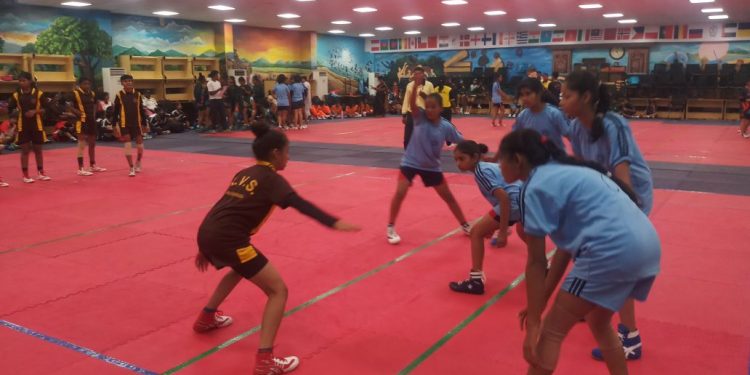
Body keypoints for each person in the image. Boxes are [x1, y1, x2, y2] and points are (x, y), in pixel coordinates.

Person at [193, 122, 360, 374]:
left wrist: (207, 246)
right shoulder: (273, 179)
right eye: (287, 151)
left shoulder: (245, 173)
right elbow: (300, 204)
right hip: (228, 239)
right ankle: (265, 360)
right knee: (278, 291)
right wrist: (334, 222)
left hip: (208, 231)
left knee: (240, 269)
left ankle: (206, 318)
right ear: (275, 153)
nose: (288, 157)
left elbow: (224, 208)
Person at [499, 129, 660, 375]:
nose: (497, 164)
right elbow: (564, 249)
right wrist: (539, 303)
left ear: (518, 159)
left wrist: (533, 324)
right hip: (646, 245)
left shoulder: (534, 187)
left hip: (611, 251)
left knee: (551, 331)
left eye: (500, 158)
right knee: (599, 322)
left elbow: (536, 262)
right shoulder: (568, 171)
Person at [560, 70, 655, 362]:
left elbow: (623, 174)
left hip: (631, 196)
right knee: (584, 249)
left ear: (586, 97)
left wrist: (624, 217)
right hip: (603, 193)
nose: (561, 102)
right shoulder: (576, 127)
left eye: (567, 96)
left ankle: (630, 337)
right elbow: (582, 166)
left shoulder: (614, 125)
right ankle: (589, 305)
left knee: (618, 264)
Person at [387, 77, 470, 245]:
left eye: (434, 107)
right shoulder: (420, 118)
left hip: (432, 167)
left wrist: (476, 150)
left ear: (440, 108)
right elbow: (412, 105)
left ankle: (465, 224)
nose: (430, 110)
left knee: (449, 197)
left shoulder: (446, 126)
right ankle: (390, 227)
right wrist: (416, 86)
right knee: (400, 192)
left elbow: (461, 140)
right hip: (409, 163)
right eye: (428, 106)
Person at [448, 140, 522, 295]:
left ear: (475, 157)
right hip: (524, 199)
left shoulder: (481, 172)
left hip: (513, 202)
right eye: (456, 160)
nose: (458, 163)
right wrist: (493, 224)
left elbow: (504, 199)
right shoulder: (485, 167)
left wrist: (502, 231)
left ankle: (475, 281)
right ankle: (544, 267)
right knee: (525, 233)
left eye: (462, 159)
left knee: (476, 233)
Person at [7, 72, 51, 183]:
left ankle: (41, 172)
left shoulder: (39, 94)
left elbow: (47, 109)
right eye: (20, 81)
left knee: (38, 150)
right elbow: (10, 109)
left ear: (30, 81)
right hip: (23, 125)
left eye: (23, 80)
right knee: (25, 150)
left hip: (37, 125)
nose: (21, 83)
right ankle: (25, 175)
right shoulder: (16, 95)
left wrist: (35, 111)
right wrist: (13, 118)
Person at [512, 78, 570, 151]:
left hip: (555, 159)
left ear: (539, 93)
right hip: (533, 158)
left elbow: (569, 135)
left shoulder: (554, 114)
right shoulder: (522, 115)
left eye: (528, 93)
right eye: (522, 95)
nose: (524, 98)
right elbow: (513, 138)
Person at [112, 74, 147, 177]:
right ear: (122, 83)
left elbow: (141, 109)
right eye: (126, 81)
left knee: (140, 145)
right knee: (127, 143)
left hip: (137, 123)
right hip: (124, 123)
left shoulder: (138, 94)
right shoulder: (119, 95)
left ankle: (138, 162)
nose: (129, 82)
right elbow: (116, 112)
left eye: (130, 81)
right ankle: (131, 167)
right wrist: (114, 125)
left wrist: (145, 123)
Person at [71, 77, 106, 176]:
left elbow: (95, 104)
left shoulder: (92, 93)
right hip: (81, 121)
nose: (87, 86)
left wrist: (94, 115)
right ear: (80, 84)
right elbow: (67, 105)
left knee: (92, 143)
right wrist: (76, 112)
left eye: (88, 84)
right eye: (85, 84)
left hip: (91, 121)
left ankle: (92, 165)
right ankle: (80, 168)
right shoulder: (75, 93)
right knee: (81, 145)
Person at [401, 66, 435, 149]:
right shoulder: (409, 85)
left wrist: (425, 96)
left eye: (419, 74)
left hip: (424, 113)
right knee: (408, 136)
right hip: (411, 113)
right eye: (415, 74)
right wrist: (404, 114)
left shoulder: (429, 85)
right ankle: (408, 153)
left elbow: (434, 100)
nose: (417, 76)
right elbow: (406, 99)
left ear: (423, 75)